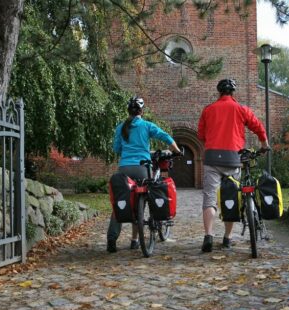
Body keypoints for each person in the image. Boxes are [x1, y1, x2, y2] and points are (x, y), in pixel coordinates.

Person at [197, 79, 269, 252]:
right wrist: (264, 144)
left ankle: (208, 235)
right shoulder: (241, 109)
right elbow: (258, 126)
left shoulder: (208, 109)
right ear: (233, 93)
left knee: (210, 199)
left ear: (219, 92)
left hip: (212, 158)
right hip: (233, 158)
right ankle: (227, 238)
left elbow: (200, 134)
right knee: (231, 196)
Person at [107, 95, 181, 253]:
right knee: (141, 199)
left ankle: (112, 239)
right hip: (142, 168)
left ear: (128, 111)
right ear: (142, 111)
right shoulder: (147, 125)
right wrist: (177, 150)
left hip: (124, 168)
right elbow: (165, 136)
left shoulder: (121, 127)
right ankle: (135, 240)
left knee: (123, 201)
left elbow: (116, 149)